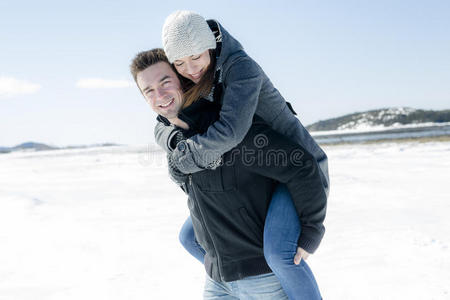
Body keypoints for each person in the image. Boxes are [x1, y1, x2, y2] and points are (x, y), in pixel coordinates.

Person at [155, 11, 329, 299]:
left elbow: (230, 132)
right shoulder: (197, 72)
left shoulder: (240, 68)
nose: (190, 69)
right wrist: (174, 140)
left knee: (279, 254)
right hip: (259, 172)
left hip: (298, 168)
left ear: (209, 44)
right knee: (190, 238)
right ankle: (238, 282)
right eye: (180, 63)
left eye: (195, 57)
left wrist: (312, 230)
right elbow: (164, 120)